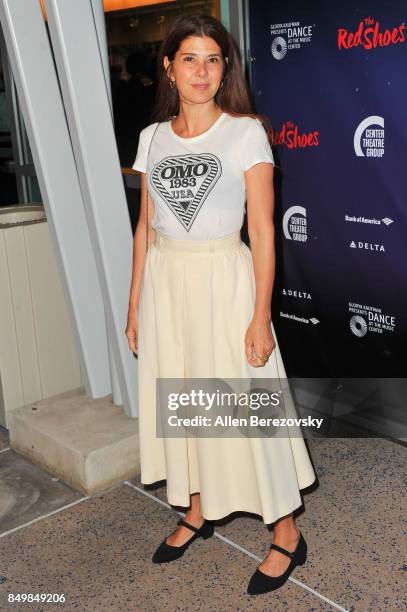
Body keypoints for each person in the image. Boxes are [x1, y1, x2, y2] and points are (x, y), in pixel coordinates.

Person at [125, 14, 316, 596]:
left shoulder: (245, 133)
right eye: (190, 59)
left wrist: (260, 316)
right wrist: (135, 304)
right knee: (185, 396)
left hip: (224, 280)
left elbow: (262, 230)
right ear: (168, 67)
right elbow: (146, 227)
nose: (202, 71)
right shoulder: (152, 138)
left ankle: (285, 530)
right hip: (168, 283)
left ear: (224, 69)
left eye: (213, 60)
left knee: (246, 410)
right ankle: (198, 506)